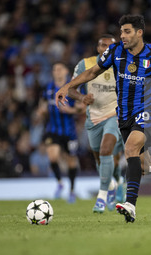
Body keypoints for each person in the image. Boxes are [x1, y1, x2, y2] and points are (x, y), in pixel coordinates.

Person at [56, 14, 151, 223]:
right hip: (124, 115)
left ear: (139, 33)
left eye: (127, 31)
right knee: (144, 167)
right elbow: (92, 72)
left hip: (146, 111)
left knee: (131, 148)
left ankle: (130, 204)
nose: (122, 35)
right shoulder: (115, 52)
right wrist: (67, 87)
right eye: (121, 31)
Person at [71, 34, 125, 213]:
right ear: (98, 48)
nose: (107, 49)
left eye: (111, 46)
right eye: (103, 45)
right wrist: (82, 97)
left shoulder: (123, 63)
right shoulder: (85, 65)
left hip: (115, 115)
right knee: (101, 160)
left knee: (106, 151)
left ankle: (101, 197)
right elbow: (71, 89)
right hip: (93, 118)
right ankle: (115, 184)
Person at [37, 62, 85, 203]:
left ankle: (71, 190)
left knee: (71, 161)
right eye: (54, 69)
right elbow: (42, 105)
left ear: (66, 72)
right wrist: (41, 111)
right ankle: (59, 182)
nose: (56, 71)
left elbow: (81, 108)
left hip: (69, 131)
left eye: (59, 69)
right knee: (52, 156)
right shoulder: (48, 88)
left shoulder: (72, 88)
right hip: (53, 130)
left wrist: (69, 110)